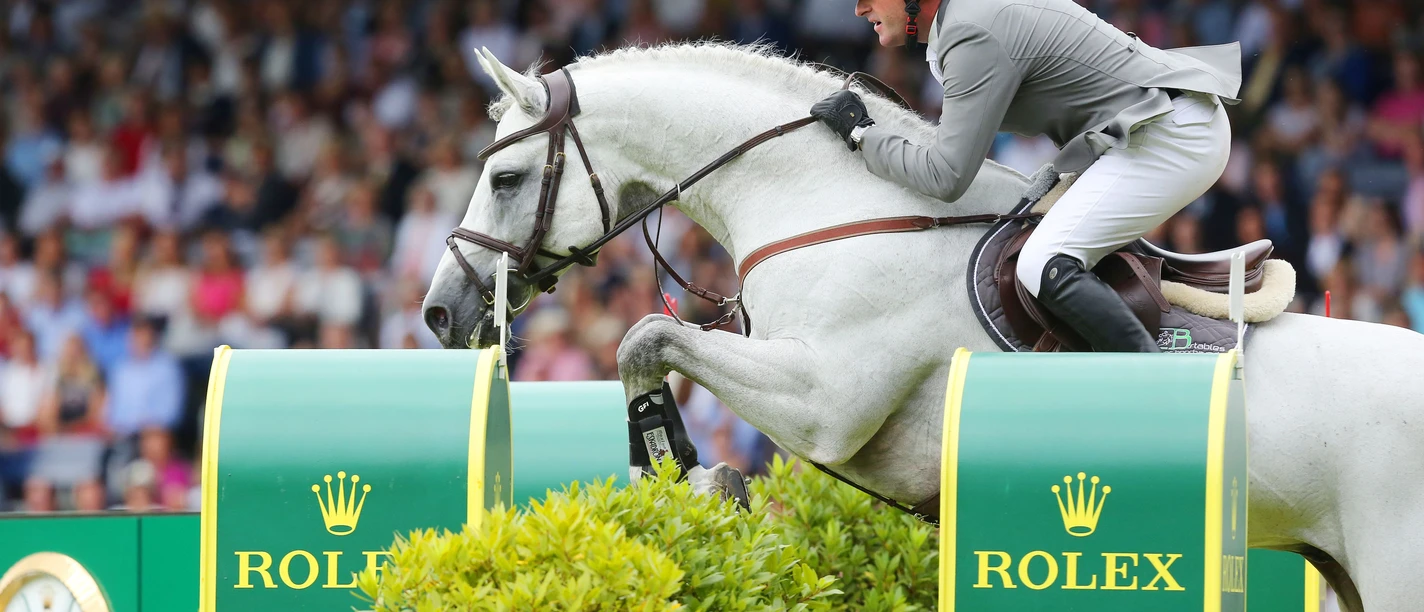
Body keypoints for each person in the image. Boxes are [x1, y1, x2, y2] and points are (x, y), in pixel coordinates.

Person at [810, 0, 1242, 352]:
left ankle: (1157, 394)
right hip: (1154, 126)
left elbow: (945, 176)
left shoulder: (970, 31)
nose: (858, 9)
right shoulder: (962, 21)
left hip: (1170, 136)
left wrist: (863, 135)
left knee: (1042, 264)